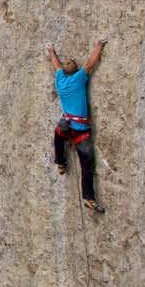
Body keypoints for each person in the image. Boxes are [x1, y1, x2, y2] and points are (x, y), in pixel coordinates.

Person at [48, 37, 107, 214]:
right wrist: (99, 45)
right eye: (70, 61)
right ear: (74, 70)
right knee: (86, 165)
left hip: (67, 126)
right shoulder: (79, 79)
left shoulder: (60, 81)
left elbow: (56, 65)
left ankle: (60, 162)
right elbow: (90, 63)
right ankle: (88, 197)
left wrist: (51, 51)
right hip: (80, 131)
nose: (68, 61)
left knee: (58, 135)